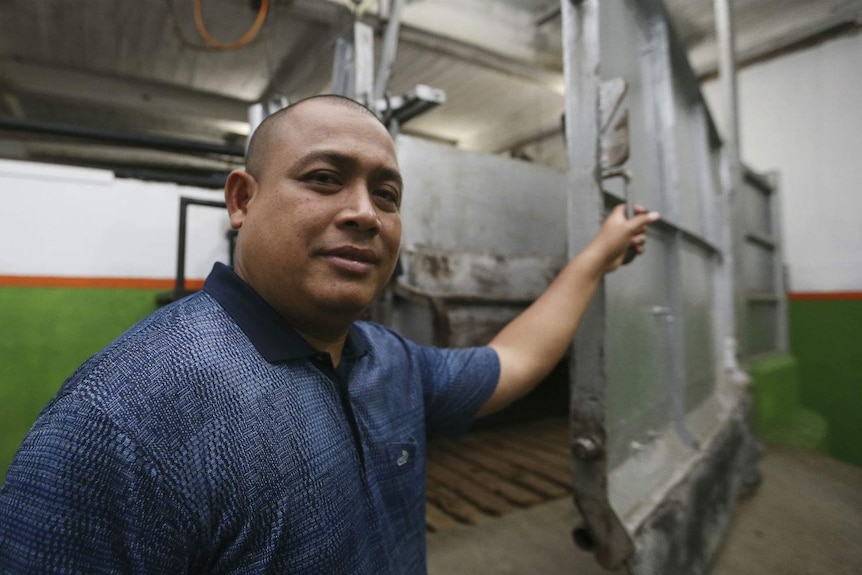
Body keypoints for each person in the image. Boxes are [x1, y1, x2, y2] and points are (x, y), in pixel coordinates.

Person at [0, 95, 658, 573]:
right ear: (242, 200)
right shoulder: (121, 421)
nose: (365, 214)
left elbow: (512, 360)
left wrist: (596, 255)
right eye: (324, 178)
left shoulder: (386, 362)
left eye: (387, 194)